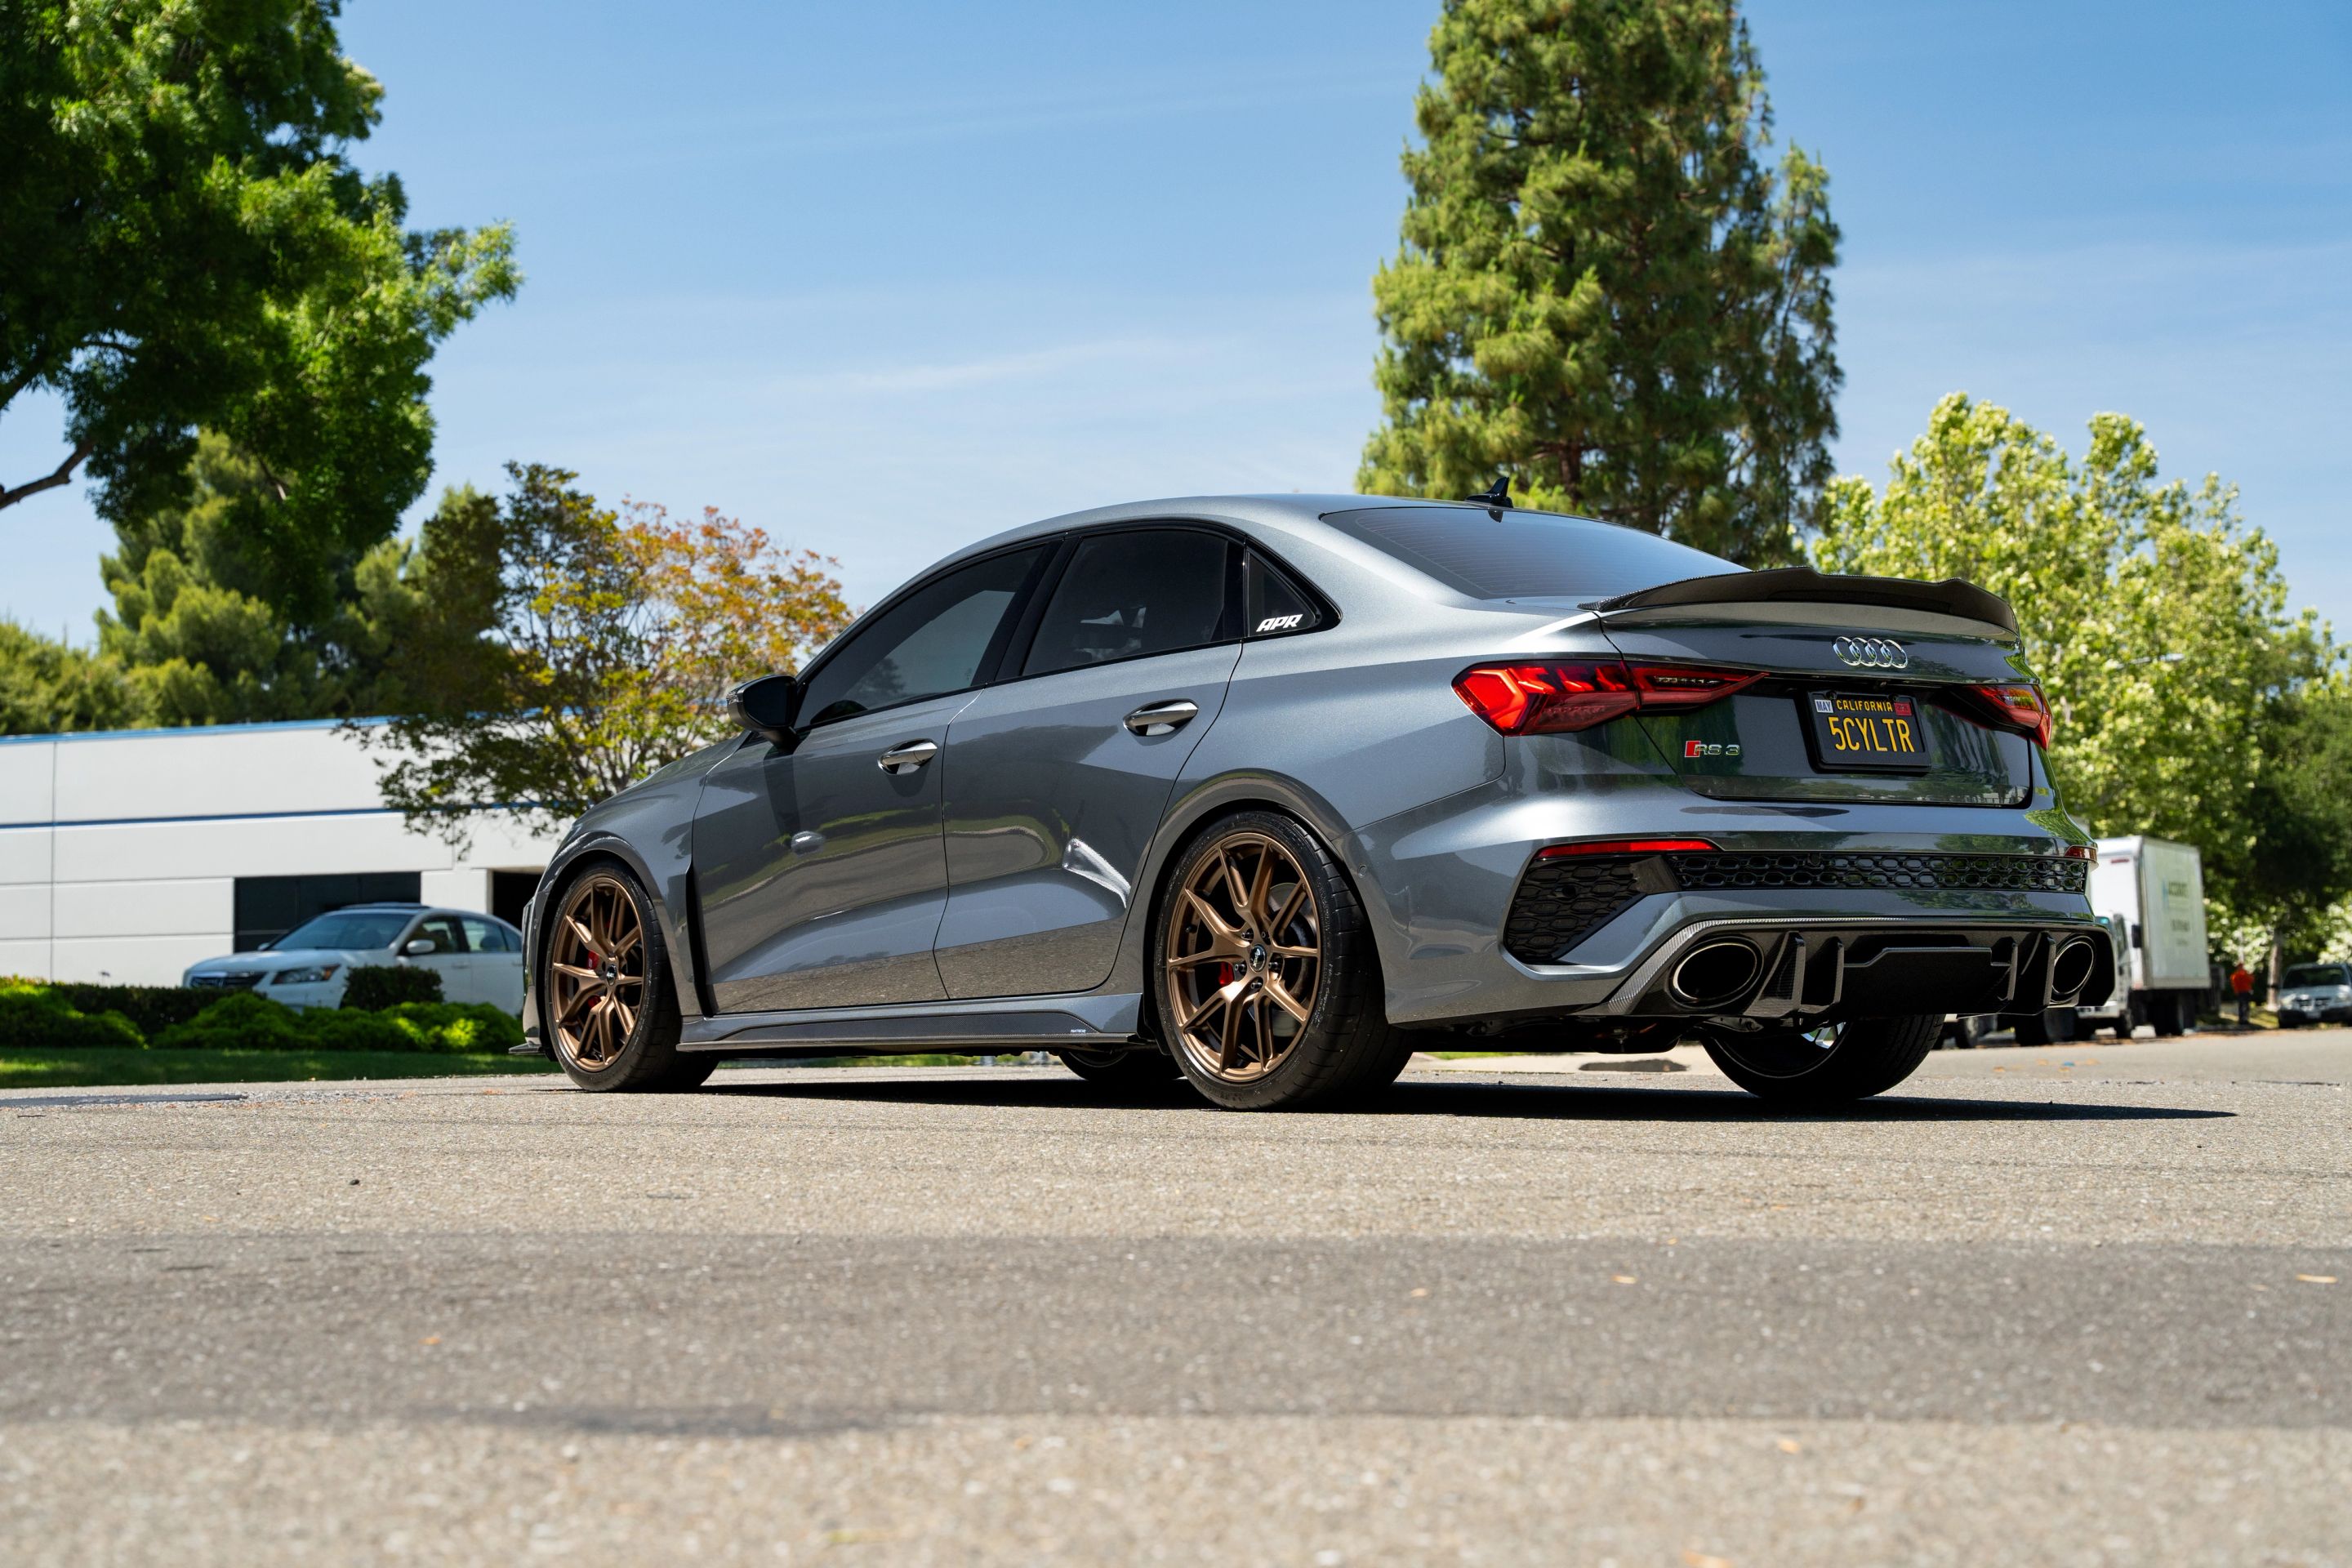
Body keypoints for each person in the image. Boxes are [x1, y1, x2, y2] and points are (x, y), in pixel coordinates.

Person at [2230, 961, 2254, 1027]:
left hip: (2246, 992)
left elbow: (2251, 980)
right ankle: (2242, 1020)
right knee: (2242, 1006)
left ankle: (2245, 1019)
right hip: (2241, 992)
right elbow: (2234, 985)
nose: (2241, 967)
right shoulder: (2236, 975)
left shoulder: (2244, 974)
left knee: (2246, 1006)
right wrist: (2236, 991)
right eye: (2240, 966)